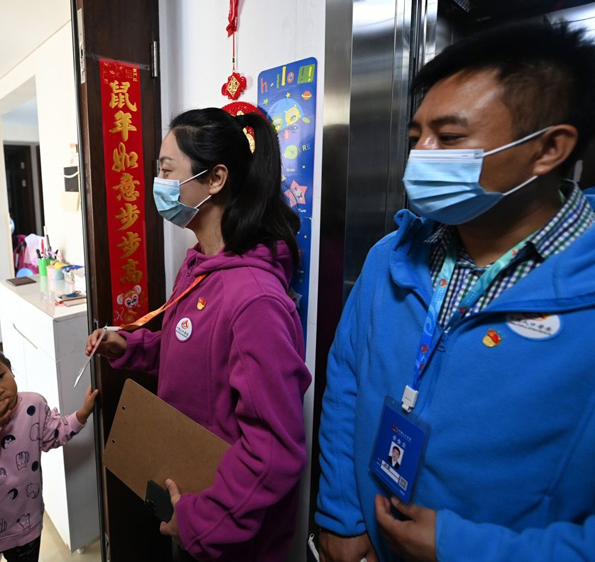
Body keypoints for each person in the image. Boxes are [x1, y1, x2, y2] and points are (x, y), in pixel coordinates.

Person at [315, 22, 595, 562]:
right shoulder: (389, 259)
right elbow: (346, 383)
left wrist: (460, 547)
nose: (421, 155)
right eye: (416, 136)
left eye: (449, 138)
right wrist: (341, 516)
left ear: (548, 149)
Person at [87, 108, 312, 561]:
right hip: (191, 500)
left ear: (215, 179)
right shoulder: (199, 267)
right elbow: (190, 352)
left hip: (230, 534)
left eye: (167, 170)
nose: (159, 183)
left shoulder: (255, 299)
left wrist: (203, 518)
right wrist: (127, 346)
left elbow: (273, 451)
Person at [0, 344, 98, 561]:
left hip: (26, 525)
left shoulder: (34, 405)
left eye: (0, 376)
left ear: (10, 370)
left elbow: (54, 434)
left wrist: (82, 414)